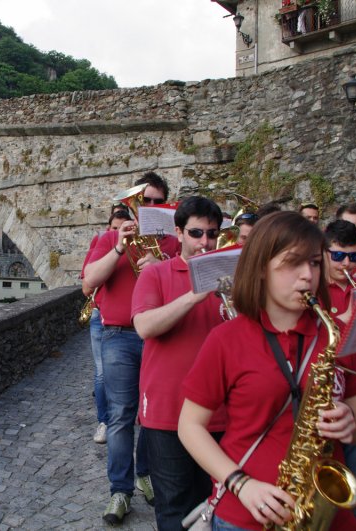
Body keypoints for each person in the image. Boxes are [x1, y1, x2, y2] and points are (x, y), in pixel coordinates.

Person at [178, 211, 356, 531]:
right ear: (260, 269)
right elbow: (189, 426)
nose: (307, 276)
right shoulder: (226, 340)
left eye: (313, 262)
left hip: (327, 516)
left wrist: (351, 424)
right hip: (247, 514)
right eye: (292, 263)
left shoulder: (336, 334)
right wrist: (241, 484)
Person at [84, 171, 180, 525]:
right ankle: (120, 491)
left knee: (151, 414)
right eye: (144, 201)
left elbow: (186, 286)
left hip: (158, 337)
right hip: (119, 336)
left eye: (157, 201)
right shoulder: (110, 236)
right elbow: (88, 283)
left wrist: (163, 267)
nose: (150, 207)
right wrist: (119, 248)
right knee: (121, 415)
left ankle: (145, 473)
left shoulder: (172, 243)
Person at [131, 196, 224, 530]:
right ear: (179, 233)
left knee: (215, 506)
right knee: (173, 507)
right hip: (167, 413)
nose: (205, 242)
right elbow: (144, 326)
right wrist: (196, 293)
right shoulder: (156, 274)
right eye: (197, 233)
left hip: (220, 413)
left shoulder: (232, 280)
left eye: (212, 234)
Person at [322, 220, 356, 482]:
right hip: (337, 388)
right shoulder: (316, 289)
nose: (346, 264)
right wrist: (349, 316)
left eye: (353, 257)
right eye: (339, 256)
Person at [81, 209, 132, 445]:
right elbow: (86, 286)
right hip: (102, 318)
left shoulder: (140, 245)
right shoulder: (104, 242)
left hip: (132, 323)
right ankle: (103, 421)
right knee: (102, 373)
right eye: (114, 228)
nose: (118, 231)